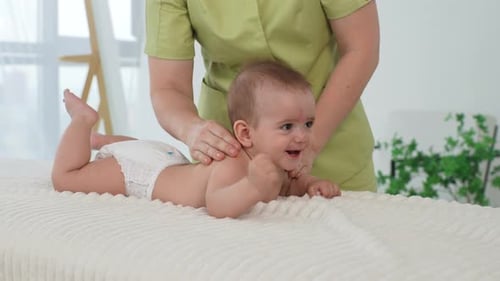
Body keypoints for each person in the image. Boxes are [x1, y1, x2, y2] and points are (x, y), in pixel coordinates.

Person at [132, 0, 381, 192]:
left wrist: (311, 142)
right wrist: (191, 129)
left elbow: (361, 48)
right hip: (232, 169)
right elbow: (168, 87)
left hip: (334, 152)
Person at [52, 61, 341, 219]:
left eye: (308, 124)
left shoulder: (277, 163)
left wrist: (312, 184)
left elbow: (292, 182)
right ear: (245, 134)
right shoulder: (233, 162)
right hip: (143, 174)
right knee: (67, 178)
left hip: (165, 157)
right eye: (287, 126)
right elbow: (217, 204)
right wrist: (252, 187)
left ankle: (105, 140)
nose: (302, 136)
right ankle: (83, 122)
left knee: (132, 147)